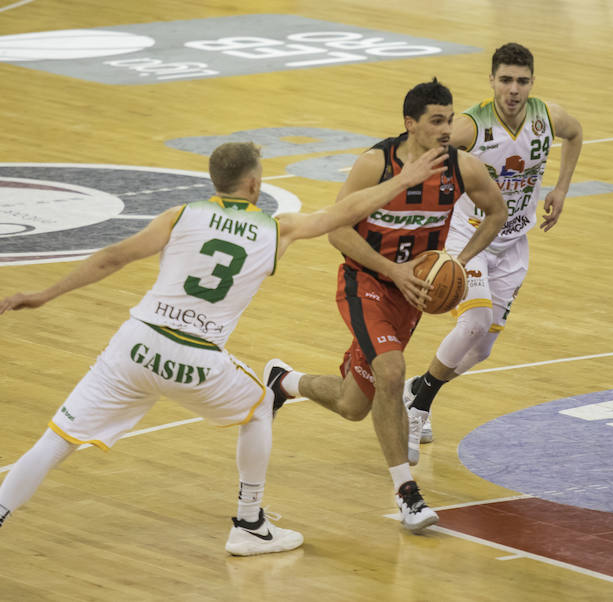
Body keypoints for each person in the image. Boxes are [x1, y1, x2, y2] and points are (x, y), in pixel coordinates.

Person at [0, 141, 448, 554]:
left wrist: (43, 295)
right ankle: (250, 524)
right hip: (194, 356)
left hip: (133, 344)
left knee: (56, 441)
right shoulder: (276, 229)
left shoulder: (180, 215)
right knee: (257, 408)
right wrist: (404, 180)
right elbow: (343, 211)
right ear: (254, 184)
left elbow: (111, 257)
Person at [263, 79, 506, 532]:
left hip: (410, 296)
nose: (446, 129)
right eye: (437, 121)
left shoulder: (464, 168)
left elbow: (497, 212)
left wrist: (456, 261)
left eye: (450, 120)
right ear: (410, 124)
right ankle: (407, 494)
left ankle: (282, 382)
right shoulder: (374, 164)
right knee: (393, 372)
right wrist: (393, 271)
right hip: (366, 282)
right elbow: (338, 232)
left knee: (355, 404)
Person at [402, 42, 583, 461]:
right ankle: (418, 408)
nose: (513, 89)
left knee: (481, 348)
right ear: (492, 81)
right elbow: (421, 154)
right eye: (505, 80)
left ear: (532, 83)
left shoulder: (547, 116)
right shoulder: (470, 126)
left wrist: (561, 188)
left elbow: (575, 134)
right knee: (475, 321)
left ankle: (417, 387)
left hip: (514, 239)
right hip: (467, 236)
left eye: (521, 81)